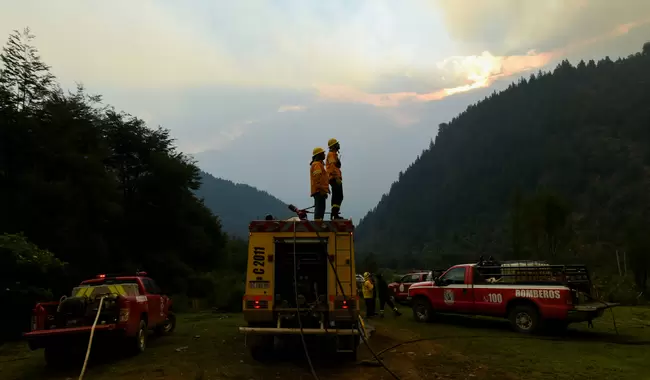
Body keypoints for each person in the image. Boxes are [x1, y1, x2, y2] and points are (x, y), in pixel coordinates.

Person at [326, 138, 343, 219]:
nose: (338, 145)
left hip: (335, 177)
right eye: (337, 144)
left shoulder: (334, 155)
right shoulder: (331, 154)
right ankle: (334, 214)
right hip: (334, 178)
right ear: (333, 146)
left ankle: (335, 214)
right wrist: (337, 178)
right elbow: (332, 167)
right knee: (337, 195)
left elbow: (335, 166)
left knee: (339, 195)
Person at [310, 147, 329, 221]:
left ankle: (318, 222)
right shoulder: (317, 164)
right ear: (318, 155)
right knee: (320, 210)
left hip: (319, 190)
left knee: (321, 209)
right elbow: (318, 179)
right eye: (323, 153)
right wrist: (321, 189)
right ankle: (318, 223)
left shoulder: (318, 164)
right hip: (319, 191)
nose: (324, 154)